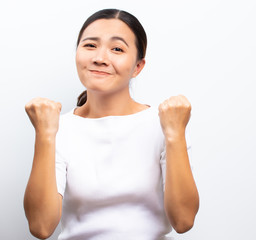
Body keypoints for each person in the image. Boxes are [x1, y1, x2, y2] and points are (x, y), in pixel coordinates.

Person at [23, 9, 199, 240]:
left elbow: (184, 220)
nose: (100, 58)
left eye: (117, 49)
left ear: (138, 66)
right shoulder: (58, 127)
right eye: (90, 46)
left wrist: (175, 134)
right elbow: (41, 227)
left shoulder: (165, 123)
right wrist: (45, 134)